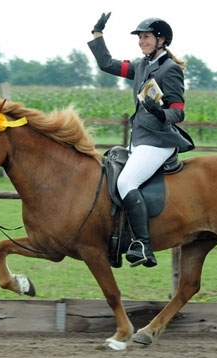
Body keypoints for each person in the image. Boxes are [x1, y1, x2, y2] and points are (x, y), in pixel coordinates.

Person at [88, 12, 194, 268]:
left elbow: (178, 112)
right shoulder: (142, 66)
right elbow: (107, 64)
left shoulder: (170, 70)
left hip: (158, 141)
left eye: (145, 37)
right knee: (108, 171)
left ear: (161, 39)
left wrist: (160, 112)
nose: (141, 41)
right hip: (140, 140)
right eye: (140, 37)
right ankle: (115, 240)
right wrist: (97, 35)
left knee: (126, 181)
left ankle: (143, 246)